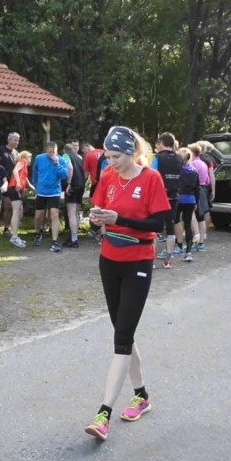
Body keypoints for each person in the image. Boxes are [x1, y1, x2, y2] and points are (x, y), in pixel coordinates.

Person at [85, 126, 171, 440]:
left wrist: (117, 219)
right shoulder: (107, 176)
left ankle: (103, 414)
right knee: (124, 331)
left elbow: (157, 224)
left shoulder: (151, 178)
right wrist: (97, 219)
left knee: (122, 336)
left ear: (132, 152)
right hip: (109, 261)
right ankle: (142, 396)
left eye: (117, 156)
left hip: (138, 261)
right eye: (107, 156)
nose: (111, 162)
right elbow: (100, 210)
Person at [151, 133, 183, 267]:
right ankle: (168, 261)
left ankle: (150, 261)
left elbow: (151, 177)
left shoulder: (157, 158)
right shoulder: (180, 158)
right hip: (174, 196)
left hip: (158, 197)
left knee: (153, 229)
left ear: (161, 142)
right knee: (170, 228)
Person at [31, 141, 68, 252]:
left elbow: (64, 176)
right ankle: (38, 233)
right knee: (38, 216)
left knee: (54, 215)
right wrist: (36, 186)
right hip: (41, 191)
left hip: (54, 191)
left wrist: (57, 164)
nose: (52, 154)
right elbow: (35, 172)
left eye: (54, 152)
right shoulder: (39, 158)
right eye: (50, 152)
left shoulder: (61, 160)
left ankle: (55, 241)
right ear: (46, 150)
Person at [174, 147, 200, 263]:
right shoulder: (194, 171)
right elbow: (197, 188)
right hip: (190, 200)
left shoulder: (178, 171)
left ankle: (178, 245)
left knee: (175, 221)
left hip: (179, 199)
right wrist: (196, 202)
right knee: (188, 225)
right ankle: (188, 251)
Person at [8, 151, 34, 248]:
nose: (31, 160)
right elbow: (14, 171)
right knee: (16, 211)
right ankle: (14, 236)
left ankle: (16, 235)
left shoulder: (24, 168)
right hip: (15, 187)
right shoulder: (23, 161)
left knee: (19, 212)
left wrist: (36, 190)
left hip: (18, 188)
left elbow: (27, 182)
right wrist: (18, 183)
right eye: (30, 157)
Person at [64, 140, 87, 248]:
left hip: (72, 186)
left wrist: (68, 183)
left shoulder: (66, 155)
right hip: (81, 186)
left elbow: (69, 168)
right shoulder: (80, 158)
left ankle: (74, 239)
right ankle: (75, 236)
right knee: (76, 211)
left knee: (71, 213)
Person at [0, 133, 20, 235]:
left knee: (11, 206)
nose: (16, 142)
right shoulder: (1, 150)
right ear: (9, 140)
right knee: (6, 205)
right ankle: (4, 227)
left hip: (13, 182)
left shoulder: (17, 153)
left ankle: (8, 227)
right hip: (2, 181)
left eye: (18, 141)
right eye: (15, 140)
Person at [187, 144, 210, 251]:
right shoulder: (204, 164)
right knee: (201, 217)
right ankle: (201, 242)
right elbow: (207, 181)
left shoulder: (192, 164)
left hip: (194, 191)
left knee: (192, 215)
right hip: (203, 189)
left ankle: (195, 239)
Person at [198, 141, 218, 238]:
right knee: (206, 209)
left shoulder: (196, 159)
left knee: (200, 210)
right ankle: (204, 232)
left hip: (199, 186)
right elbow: (212, 176)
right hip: (206, 186)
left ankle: (199, 232)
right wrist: (213, 190)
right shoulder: (209, 160)